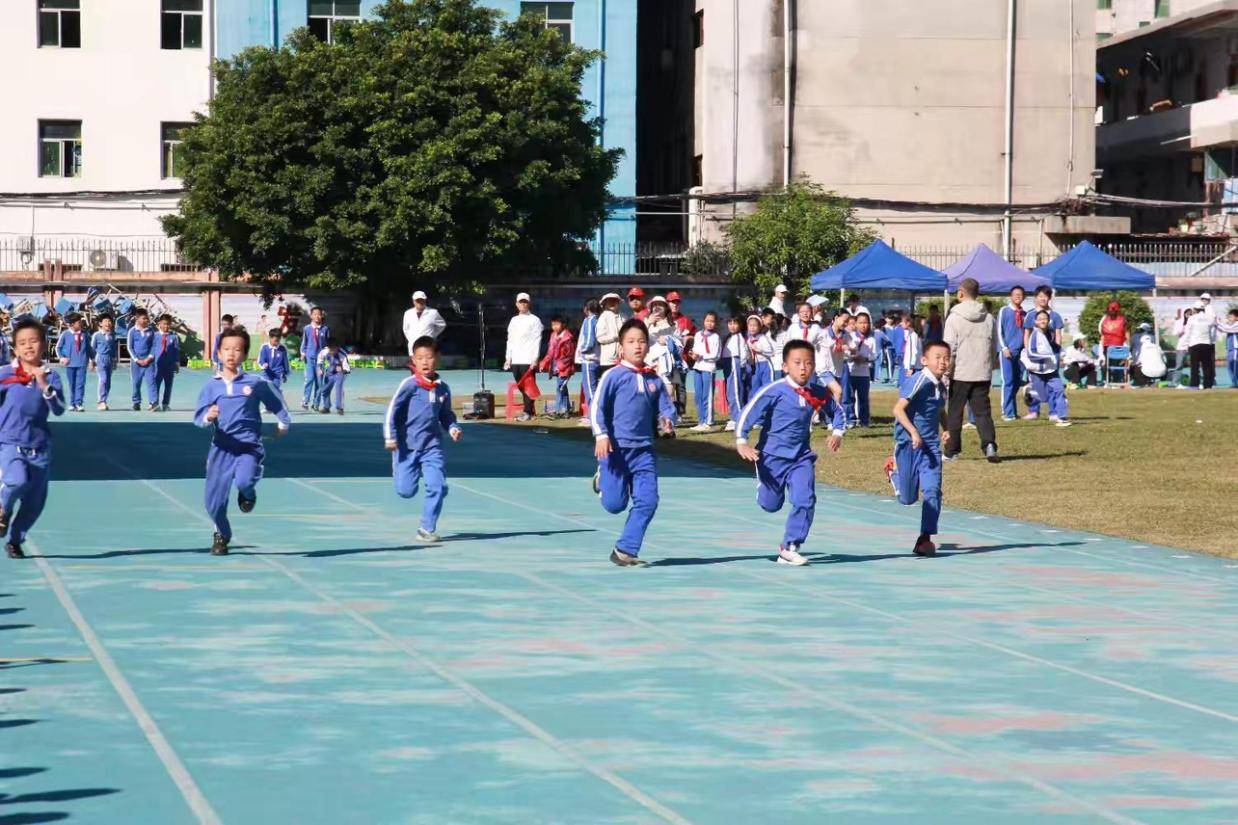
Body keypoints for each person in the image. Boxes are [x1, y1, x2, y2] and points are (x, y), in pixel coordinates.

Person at [734, 338, 845, 566]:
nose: (803, 368)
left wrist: (837, 432)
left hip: (801, 457)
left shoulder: (818, 391)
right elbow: (748, 413)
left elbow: (837, 411)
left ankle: (790, 546)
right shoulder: (774, 390)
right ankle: (764, 489)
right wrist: (741, 441)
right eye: (797, 363)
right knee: (770, 505)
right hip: (771, 458)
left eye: (808, 363)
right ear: (785, 366)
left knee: (805, 499)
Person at [194, 327, 290, 556]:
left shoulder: (255, 383)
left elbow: (276, 401)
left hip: (249, 446)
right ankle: (222, 534)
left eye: (237, 349)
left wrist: (283, 423)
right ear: (218, 353)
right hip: (221, 448)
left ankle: (248, 493)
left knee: (245, 481)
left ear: (245, 355)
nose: (231, 354)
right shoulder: (211, 386)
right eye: (226, 349)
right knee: (213, 504)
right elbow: (198, 417)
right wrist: (209, 416)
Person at [590, 319, 677, 567]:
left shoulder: (654, 380)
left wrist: (668, 422)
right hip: (614, 451)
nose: (637, 346)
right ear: (621, 347)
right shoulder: (613, 376)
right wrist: (601, 435)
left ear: (647, 346)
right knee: (614, 505)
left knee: (648, 501)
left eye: (641, 341)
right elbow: (597, 408)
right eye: (631, 342)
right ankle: (602, 477)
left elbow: (666, 409)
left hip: (644, 452)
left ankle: (625, 550)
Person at [384, 335, 462, 543]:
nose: (425, 362)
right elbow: (392, 411)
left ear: (437, 357)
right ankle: (400, 467)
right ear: (413, 360)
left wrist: (453, 427)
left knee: (437, 486)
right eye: (420, 358)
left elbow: (446, 414)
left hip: (432, 447)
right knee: (406, 491)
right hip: (406, 447)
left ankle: (426, 528)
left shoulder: (443, 388)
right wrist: (390, 437)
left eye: (429, 357)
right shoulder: (409, 385)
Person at [0, 318, 67, 559]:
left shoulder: (51, 376)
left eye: (34, 341)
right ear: (15, 349)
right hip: (9, 442)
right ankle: (3, 511)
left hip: (39, 447)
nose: (28, 347)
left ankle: (15, 540)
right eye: (22, 343)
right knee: (16, 481)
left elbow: (59, 409)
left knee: (34, 503)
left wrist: (43, 384)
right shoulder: (5, 374)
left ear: (43, 345)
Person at [886, 341, 951, 558]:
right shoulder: (919, 380)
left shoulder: (941, 384)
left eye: (946, 358)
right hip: (908, 445)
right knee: (907, 499)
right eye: (938, 357)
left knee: (933, 491)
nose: (942, 362)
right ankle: (893, 472)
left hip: (931, 447)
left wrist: (947, 428)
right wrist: (914, 432)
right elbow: (898, 410)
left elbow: (940, 409)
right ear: (924, 360)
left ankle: (924, 538)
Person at [942, 277, 999, 463]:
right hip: (982, 371)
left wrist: (946, 371)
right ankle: (989, 445)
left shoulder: (954, 317)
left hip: (960, 372)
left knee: (955, 412)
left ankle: (952, 451)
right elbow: (993, 346)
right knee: (982, 412)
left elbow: (950, 347)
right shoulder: (989, 317)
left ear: (960, 293)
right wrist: (990, 366)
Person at [1021, 310, 1071, 426]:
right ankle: (1030, 392)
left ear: (1049, 321)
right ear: (1035, 322)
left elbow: (1053, 346)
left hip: (1051, 370)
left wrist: (1061, 353)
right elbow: (1031, 354)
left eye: (1045, 318)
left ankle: (1062, 417)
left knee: (1059, 390)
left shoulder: (1050, 333)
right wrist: (1048, 357)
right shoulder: (1034, 335)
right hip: (1037, 371)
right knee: (1043, 398)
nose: (1043, 321)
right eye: (1040, 319)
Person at [1022, 286, 1063, 417]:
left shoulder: (1055, 316)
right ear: (1036, 298)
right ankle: (1033, 411)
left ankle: (1053, 412)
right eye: (1040, 296)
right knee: (1035, 383)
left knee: (1052, 384)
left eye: (1045, 296)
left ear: (1049, 298)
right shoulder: (1030, 314)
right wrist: (1028, 351)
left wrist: (1057, 352)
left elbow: (1058, 334)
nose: (1043, 298)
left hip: (1051, 356)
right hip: (1035, 356)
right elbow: (1027, 334)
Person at [503, 292, 544, 421]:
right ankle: (529, 410)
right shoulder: (513, 320)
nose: (523, 304)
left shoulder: (535, 320)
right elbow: (510, 339)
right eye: (520, 302)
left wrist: (535, 359)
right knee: (520, 385)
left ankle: (527, 412)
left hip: (528, 358)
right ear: (516, 304)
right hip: (515, 358)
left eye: (525, 302)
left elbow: (537, 340)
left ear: (529, 303)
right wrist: (508, 357)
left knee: (528, 385)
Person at [996, 286, 1028, 421]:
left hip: (1021, 353)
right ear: (1011, 296)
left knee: (1016, 382)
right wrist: (1004, 347)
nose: (1018, 297)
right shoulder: (1004, 311)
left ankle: (1013, 410)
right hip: (1007, 351)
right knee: (1008, 381)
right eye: (1015, 294)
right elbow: (999, 330)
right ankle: (1006, 411)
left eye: (1020, 295)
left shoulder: (1024, 314)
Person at [538, 315, 575, 417]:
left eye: (557, 324)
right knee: (562, 387)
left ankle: (559, 410)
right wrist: (543, 363)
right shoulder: (553, 335)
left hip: (564, 368)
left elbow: (570, 356)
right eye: (553, 324)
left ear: (563, 325)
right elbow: (550, 352)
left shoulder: (568, 338)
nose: (554, 327)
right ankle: (566, 409)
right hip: (555, 367)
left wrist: (561, 366)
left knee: (560, 387)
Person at [690, 311, 721, 431]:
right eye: (708, 320)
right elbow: (695, 348)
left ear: (715, 323)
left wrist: (702, 356)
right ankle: (701, 420)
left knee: (706, 396)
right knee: (698, 395)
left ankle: (708, 421)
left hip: (708, 368)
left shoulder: (716, 337)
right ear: (703, 321)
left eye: (712, 321)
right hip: (698, 367)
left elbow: (716, 355)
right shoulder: (698, 335)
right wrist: (693, 354)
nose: (710, 323)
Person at [55, 312, 90, 413]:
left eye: (81, 322)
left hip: (82, 363)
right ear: (71, 324)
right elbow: (58, 347)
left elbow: (88, 348)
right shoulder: (65, 334)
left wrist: (92, 360)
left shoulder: (84, 334)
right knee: (72, 384)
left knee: (80, 384)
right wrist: (62, 358)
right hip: (70, 364)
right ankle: (72, 403)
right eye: (78, 322)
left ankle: (79, 403)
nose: (80, 324)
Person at [666, 292, 694, 415]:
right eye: (672, 302)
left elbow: (694, 335)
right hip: (666, 359)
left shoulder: (685, 320)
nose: (675, 304)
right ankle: (669, 412)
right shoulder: (663, 319)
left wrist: (689, 338)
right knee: (669, 386)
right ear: (667, 303)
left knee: (680, 386)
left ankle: (680, 413)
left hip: (681, 359)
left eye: (677, 302)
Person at [847, 313, 876, 427]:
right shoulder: (851, 337)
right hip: (851, 371)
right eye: (861, 322)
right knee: (849, 397)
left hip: (864, 373)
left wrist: (865, 359)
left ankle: (864, 420)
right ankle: (851, 420)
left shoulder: (872, 339)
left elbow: (874, 356)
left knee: (863, 398)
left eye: (866, 323)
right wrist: (853, 357)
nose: (864, 325)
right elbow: (846, 353)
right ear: (856, 323)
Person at [575, 299, 600, 426]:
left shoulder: (590, 320)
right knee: (593, 389)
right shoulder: (598, 319)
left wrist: (582, 350)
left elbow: (590, 340)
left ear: (586, 308)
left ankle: (593, 417)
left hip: (589, 359)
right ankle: (593, 415)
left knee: (590, 390)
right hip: (595, 359)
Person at [127, 308, 157, 412]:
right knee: (136, 383)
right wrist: (136, 360)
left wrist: (149, 357)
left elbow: (154, 345)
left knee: (151, 382)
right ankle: (136, 402)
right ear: (137, 319)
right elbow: (129, 347)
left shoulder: (151, 331)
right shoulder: (132, 331)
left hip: (149, 363)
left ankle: (153, 403)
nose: (146, 320)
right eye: (143, 318)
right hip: (136, 364)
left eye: (147, 318)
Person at [299, 306, 330, 411]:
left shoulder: (325, 329)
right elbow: (304, 342)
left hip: (320, 361)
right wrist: (303, 353)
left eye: (319, 314)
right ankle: (305, 401)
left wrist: (327, 355)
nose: (317, 316)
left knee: (319, 382)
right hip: (309, 358)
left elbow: (327, 344)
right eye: (315, 314)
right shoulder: (307, 329)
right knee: (310, 379)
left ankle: (316, 403)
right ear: (311, 316)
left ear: (322, 316)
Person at [721, 316, 747, 432]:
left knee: (735, 392)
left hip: (734, 363)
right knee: (729, 392)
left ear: (740, 325)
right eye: (730, 323)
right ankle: (734, 416)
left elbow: (743, 353)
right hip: (727, 363)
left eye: (735, 323)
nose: (732, 326)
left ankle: (738, 418)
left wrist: (741, 367)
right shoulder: (729, 337)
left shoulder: (738, 337)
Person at [1183, 301, 1217, 389]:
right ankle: (1208, 385)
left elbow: (1188, 332)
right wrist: (1211, 342)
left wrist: (1186, 344)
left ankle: (1194, 385)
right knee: (1207, 366)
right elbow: (1212, 332)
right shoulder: (1209, 318)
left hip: (1194, 344)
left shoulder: (1192, 318)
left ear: (1195, 309)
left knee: (1195, 366)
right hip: (1206, 344)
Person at [402, 290, 446, 356]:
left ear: (425, 300)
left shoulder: (433, 312)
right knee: (415, 364)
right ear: (413, 301)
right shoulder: (408, 313)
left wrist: (432, 335)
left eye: (421, 300)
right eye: (417, 300)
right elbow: (406, 329)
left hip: (428, 345)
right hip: (413, 346)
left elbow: (442, 325)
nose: (420, 303)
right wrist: (411, 339)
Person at [152, 314, 181, 412]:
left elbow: (176, 351)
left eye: (168, 324)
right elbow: (151, 350)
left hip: (169, 365)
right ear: (159, 324)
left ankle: (165, 404)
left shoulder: (174, 337)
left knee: (168, 385)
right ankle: (154, 403)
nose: (166, 326)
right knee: (156, 384)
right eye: (164, 324)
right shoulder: (154, 336)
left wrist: (177, 364)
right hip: (157, 365)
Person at [1098, 300, 1129, 385]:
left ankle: (1106, 380)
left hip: (1108, 347)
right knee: (1117, 364)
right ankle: (1117, 380)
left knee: (1107, 363)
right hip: (1119, 348)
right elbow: (1127, 334)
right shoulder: (1123, 319)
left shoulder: (1104, 319)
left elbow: (1101, 332)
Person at [316, 338, 351, 414]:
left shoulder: (342, 354)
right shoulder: (324, 351)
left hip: (340, 374)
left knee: (339, 389)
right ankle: (326, 407)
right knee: (325, 390)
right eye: (330, 349)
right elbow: (320, 360)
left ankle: (340, 408)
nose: (331, 351)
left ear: (337, 347)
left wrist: (342, 370)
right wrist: (320, 368)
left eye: (333, 349)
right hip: (330, 372)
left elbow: (347, 369)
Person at [90, 314, 117, 411]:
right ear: (100, 323)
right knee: (103, 379)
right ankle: (100, 401)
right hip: (100, 359)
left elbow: (114, 349)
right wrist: (91, 361)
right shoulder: (97, 335)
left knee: (108, 382)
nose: (108, 323)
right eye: (105, 321)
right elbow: (92, 348)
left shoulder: (112, 335)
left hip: (109, 359)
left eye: (109, 321)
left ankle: (104, 400)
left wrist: (114, 361)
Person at [745, 314, 775, 400]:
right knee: (754, 388)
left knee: (767, 387)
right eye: (750, 325)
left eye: (755, 325)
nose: (752, 328)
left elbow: (771, 352)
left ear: (759, 327)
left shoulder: (762, 338)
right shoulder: (748, 340)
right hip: (754, 366)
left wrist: (760, 351)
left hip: (765, 364)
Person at [1130, 322, 1165, 387]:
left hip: (1141, 366)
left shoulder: (1134, 337)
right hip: (1156, 367)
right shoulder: (1154, 339)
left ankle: (1139, 382)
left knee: (1135, 366)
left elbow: (1131, 347)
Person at [595, 292, 623, 375]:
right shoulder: (603, 317)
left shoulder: (623, 317)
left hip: (622, 357)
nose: (612, 303)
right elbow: (600, 337)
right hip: (608, 358)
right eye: (609, 301)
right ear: (605, 303)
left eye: (614, 301)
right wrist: (614, 338)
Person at [1224, 309, 1238, 388]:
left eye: (1231, 317)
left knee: (1235, 366)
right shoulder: (1230, 325)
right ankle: (1234, 383)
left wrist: (1216, 322)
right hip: (1230, 349)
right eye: (1228, 317)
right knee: (1229, 367)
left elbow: (1225, 329)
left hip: (1235, 349)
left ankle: (1236, 383)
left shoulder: (1236, 324)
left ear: (1236, 318)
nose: (1229, 318)